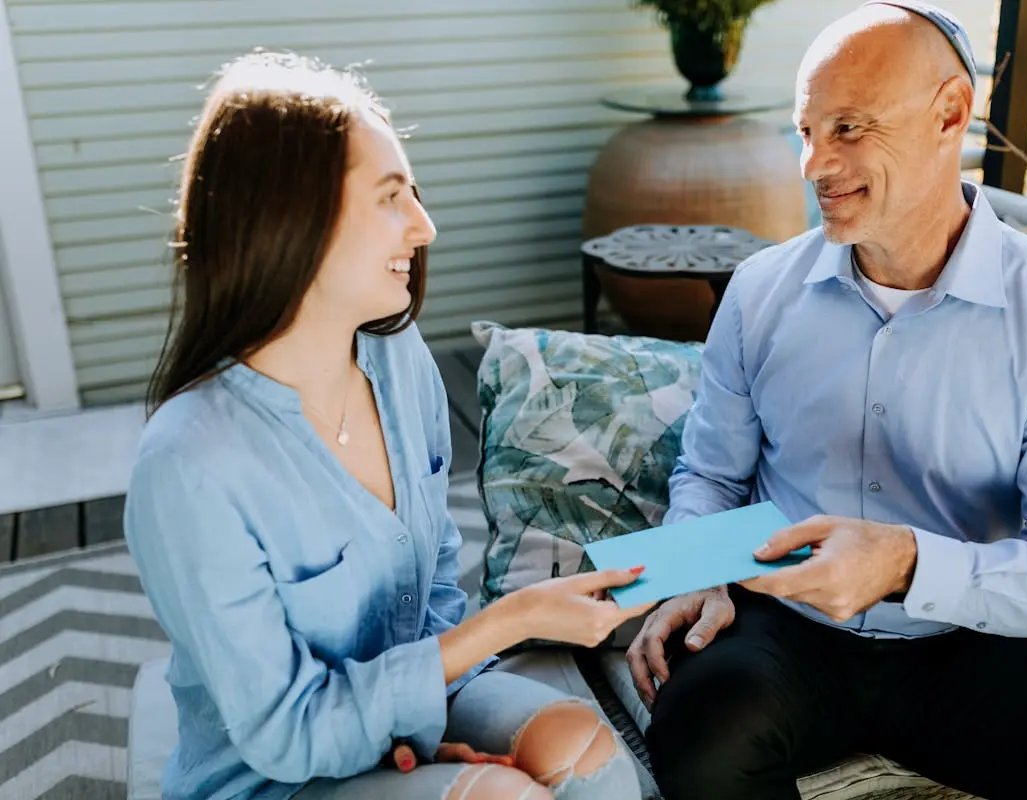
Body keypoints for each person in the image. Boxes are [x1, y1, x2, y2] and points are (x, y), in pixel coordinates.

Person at [625, 2, 1027, 799]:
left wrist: (909, 563)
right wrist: (695, 571)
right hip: (781, 633)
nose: (814, 166)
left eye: (850, 129)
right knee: (698, 740)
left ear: (951, 113)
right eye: (807, 132)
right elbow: (711, 475)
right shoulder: (760, 292)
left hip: (966, 640)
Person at [123, 51, 648, 800]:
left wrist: (416, 731)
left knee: (590, 759)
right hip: (273, 773)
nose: (425, 227)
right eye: (391, 197)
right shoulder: (190, 464)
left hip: (424, 686)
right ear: (291, 216)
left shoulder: (397, 358)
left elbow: (434, 572)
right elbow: (289, 732)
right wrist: (504, 626)